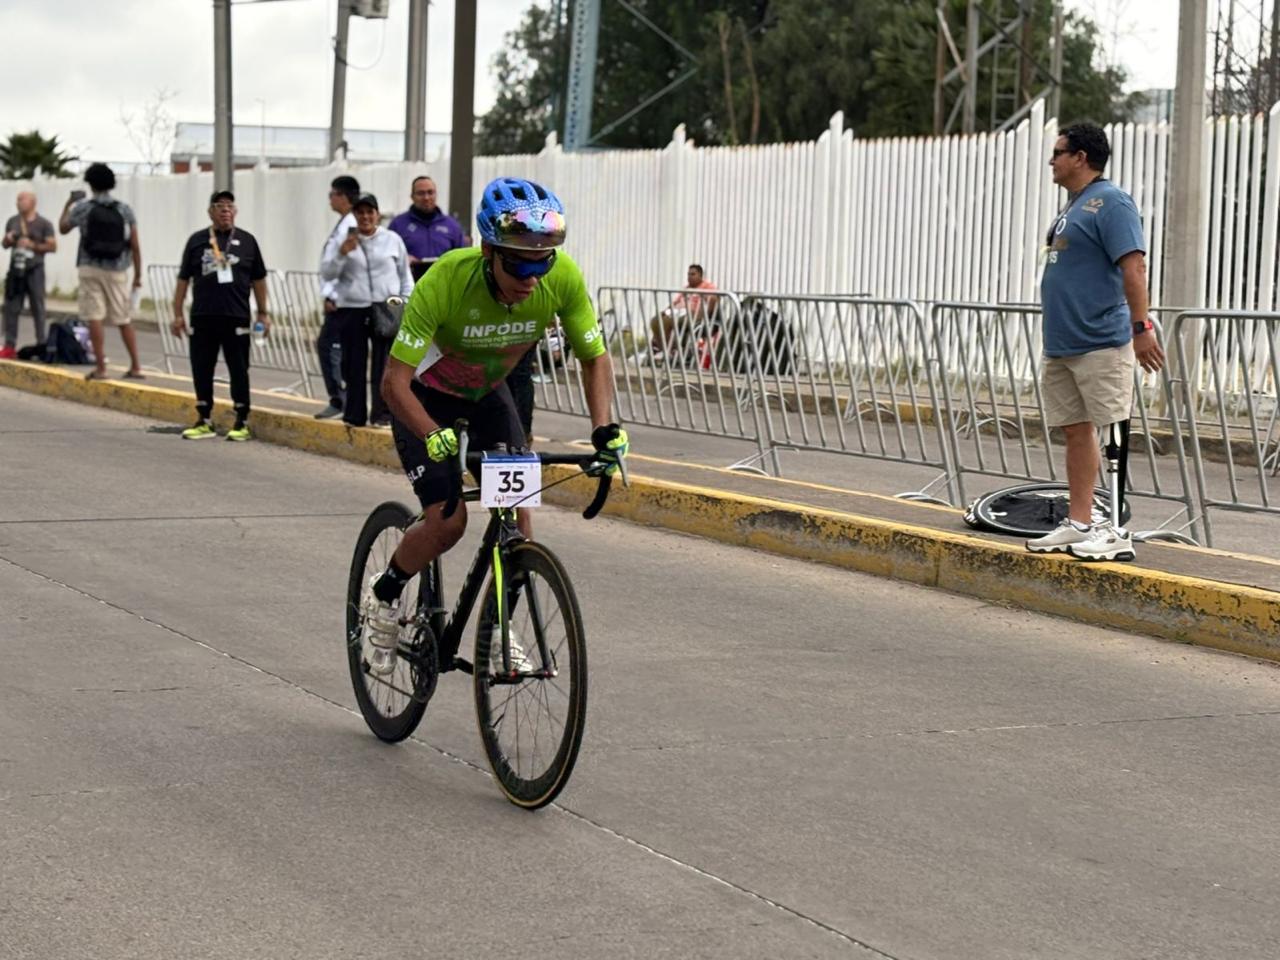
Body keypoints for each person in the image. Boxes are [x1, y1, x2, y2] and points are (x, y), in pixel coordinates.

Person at [360, 176, 628, 676]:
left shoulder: (560, 277)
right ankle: (385, 593)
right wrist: (433, 435)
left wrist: (603, 431)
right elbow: (393, 384)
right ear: (487, 249)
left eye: (542, 259)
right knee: (448, 521)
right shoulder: (445, 280)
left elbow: (594, 357)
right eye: (518, 261)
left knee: (519, 515)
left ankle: (501, 628)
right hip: (424, 399)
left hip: (489, 395)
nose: (532, 274)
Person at [1026, 122, 1164, 562]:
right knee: (1075, 431)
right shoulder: (1073, 206)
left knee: (1113, 430)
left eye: (1058, 152)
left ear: (1081, 157)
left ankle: (1117, 530)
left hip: (1101, 340)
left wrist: (1140, 329)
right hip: (1063, 343)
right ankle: (1080, 522)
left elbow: (1134, 267)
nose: (1052, 160)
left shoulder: (1112, 202)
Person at [170, 191, 269, 442]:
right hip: (203, 316)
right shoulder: (197, 241)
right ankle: (204, 418)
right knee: (201, 367)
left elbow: (258, 279)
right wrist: (177, 313)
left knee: (239, 369)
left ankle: (242, 420)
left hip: (236, 316)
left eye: (229, 205)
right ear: (210, 212)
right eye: (219, 205)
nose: (225, 210)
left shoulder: (247, 241)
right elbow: (183, 279)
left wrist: (263, 313)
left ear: (235, 211)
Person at [319, 192, 413, 428]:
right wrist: (342, 254)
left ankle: (381, 415)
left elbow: (405, 275)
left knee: (384, 365)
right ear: (354, 215)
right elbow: (328, 273)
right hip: (353, 308)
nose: (365, 217)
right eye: (360, 212)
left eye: (369, 212)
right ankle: (354, 414)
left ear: (377, 215)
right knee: (353, 364)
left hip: (386, 308)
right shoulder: (345, 240)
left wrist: (404, 302)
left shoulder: (392, 239)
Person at [58, 162, 144, 380]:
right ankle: (135, 366)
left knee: (94, 316)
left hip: (90, 267)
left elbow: (63, 228)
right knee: (123, 318)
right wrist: (138, 275)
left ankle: (101, 368)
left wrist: (69, 202)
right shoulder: (123, 209)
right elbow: (134, 244)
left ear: (90, 183)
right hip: (117, 269)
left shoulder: (84, 208)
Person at [314, 174, 361, 419]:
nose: (330, 199)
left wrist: (332, 295)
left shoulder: (351, 225)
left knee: (329, 347)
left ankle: (339, 399)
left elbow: (347, 263)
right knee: (338, 350)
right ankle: (344, 399)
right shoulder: (344, 222)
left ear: (343, 196)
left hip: (343, 299)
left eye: (333, 194)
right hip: (339, 297)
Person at [2, 192, 57, 358]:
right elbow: (4, 244)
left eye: (22, 199)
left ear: (32, 202)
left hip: (35, 269)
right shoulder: (13, 221)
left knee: (38, 307)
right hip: (16, 270)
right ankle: (9, 344)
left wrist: (32, 244)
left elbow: (52, 246)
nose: (18, 203)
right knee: (11, 308)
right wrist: (9, 239)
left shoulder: (44, 224)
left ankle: (41, 344)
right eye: (17, 199)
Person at [387, 175, 467, 279]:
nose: (426, 197)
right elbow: (386, 259)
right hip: (411, 287)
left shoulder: (452, 226)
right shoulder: (398, 225)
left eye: (430, 192)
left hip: (443, 286)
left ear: (436, 194)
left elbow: (463, 260)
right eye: (421, 193)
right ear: (412, 197)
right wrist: (403, 259)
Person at [649, 263, 719, 359]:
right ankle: (664, 349)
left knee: (667, 322)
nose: (689, 277)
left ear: (700, 275)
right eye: (688, 274)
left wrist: (704, 314)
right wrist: (665, 311)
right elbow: (675, 302)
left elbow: (714, 299)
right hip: (678, 312)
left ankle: (672, 351)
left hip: (693, 314)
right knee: (655, 321)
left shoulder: (707, 286)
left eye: (693, 274)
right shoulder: (687, 288)